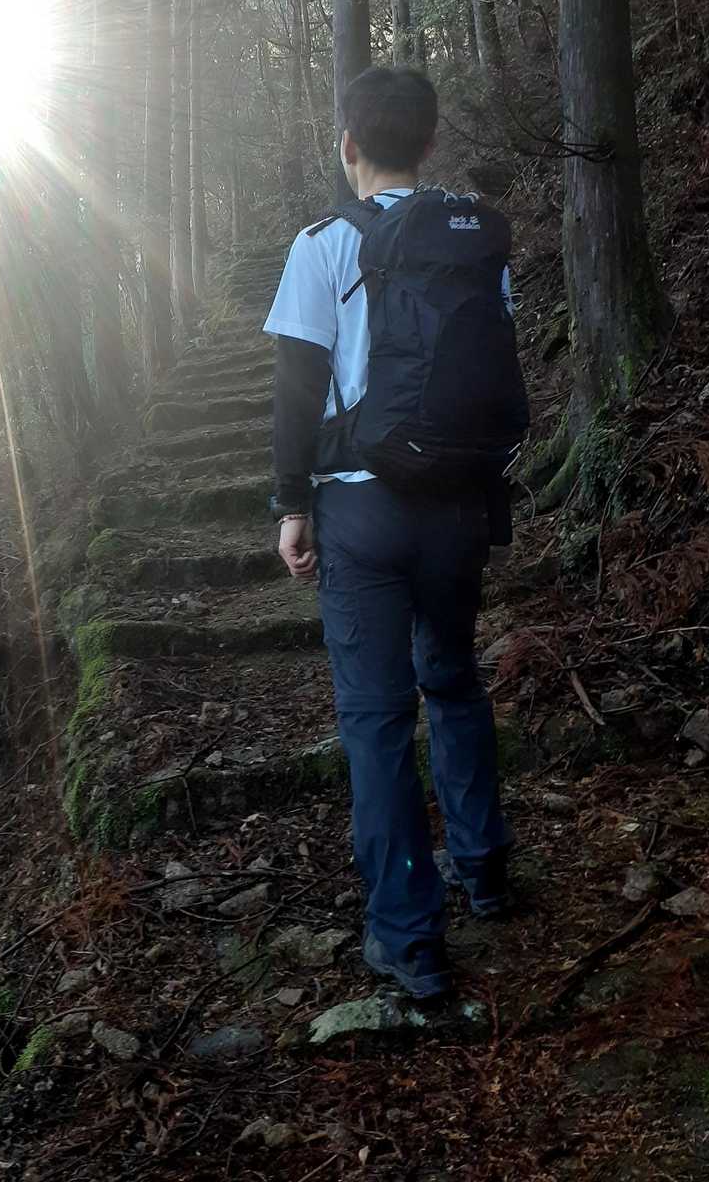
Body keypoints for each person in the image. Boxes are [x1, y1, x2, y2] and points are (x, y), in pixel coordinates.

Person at [264, 67, 519, 1001]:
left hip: (363, 511)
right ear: (431, 143)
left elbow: (297, 388)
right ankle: (485, 872)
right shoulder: (474, 241)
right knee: (453, 681)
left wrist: (292, 506)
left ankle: (410, 940)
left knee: (376, 719)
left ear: (348, 146)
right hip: (458, 503)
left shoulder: (322, 244)